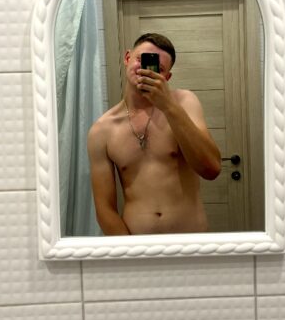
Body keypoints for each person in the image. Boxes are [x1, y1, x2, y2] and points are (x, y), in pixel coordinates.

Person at [87, 32, 221, 235]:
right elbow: (104, 210)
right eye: (141, 59)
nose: (146, 69)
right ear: (127, 58)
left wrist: (168, 106)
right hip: (137, 245)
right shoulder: (102, 130)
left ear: (166, 77)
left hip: (191, 241)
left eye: (159, 68)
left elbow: (211, 169)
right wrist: (131, 250)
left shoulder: (184, 102)